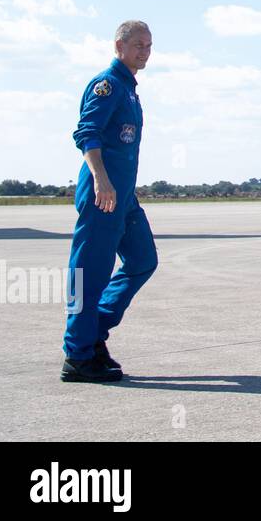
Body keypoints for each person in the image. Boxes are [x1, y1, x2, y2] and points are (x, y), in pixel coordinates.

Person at [61, 21, 159, 382]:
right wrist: (102, 180)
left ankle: (93, 334)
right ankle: (78, 356)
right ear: (119, 45)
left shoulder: (130, 90)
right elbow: (86, 132)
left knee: (143, 260)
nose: (144, 52)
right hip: (102, 194)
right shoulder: (108, 85)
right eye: (138, 45)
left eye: (148, 46)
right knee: (88, 274)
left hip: (123, 198)